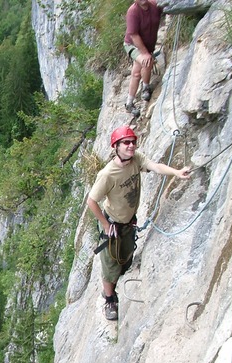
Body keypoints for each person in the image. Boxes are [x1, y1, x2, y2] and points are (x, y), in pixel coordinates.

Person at [78, 126, 190, 321]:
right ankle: (110, 299)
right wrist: (105, 225)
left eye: (132, 142)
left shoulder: (136, 159)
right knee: (110, 263)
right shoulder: (108, 174)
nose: (131, 146)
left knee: (126, 256)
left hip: (128, 221)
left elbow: (155, 166)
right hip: (112, 224)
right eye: (126, 143)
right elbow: (91, 201)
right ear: (116, 147)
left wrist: (177, 172)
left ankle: (114, 283)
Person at [123, 0, 164, 117]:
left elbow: (168, 8)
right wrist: (145, 53)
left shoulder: (155, 5)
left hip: (147, 46)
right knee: (146, 62)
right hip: (133, 45)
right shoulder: (133, 12)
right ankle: (145, 88)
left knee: (136, 73)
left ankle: (130, 103)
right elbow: (133, 35)